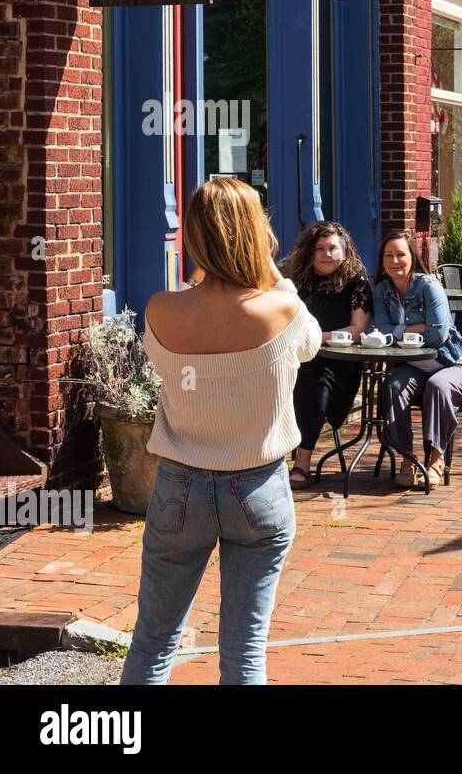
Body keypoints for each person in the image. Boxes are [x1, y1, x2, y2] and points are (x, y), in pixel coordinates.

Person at [121, 178, 322, 685]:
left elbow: (172, 351)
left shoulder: (161, 310)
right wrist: (272, 273)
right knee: (245, 648)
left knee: (153, 641)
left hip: (179, 487)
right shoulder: (283, 309)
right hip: (257, 487)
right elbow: (311, 344)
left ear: (193, 237)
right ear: (256, 235)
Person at [373, 231, 462, 488]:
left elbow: (438, 335)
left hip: (453, 365)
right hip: (414, 367)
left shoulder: (428, 286)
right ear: (382, 260)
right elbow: (381, 328)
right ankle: (408, 459)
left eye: (400, 254)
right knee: (393, 385)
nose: (394, 260)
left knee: (438, 385)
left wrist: (399, 330)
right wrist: (417, 327)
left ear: (412, 257)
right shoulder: (382, 290)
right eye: (389, 255)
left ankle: (436, 460)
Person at [280, 222, 373, 489]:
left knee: (314, 384)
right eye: (319, 248)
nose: (326, 254)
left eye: (333, 248)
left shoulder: (357, 282)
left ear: (344, 251)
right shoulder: (296, 279)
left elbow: (358, 329)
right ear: (309, 252)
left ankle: (302, 463)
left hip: (337, 361)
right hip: (294, 356)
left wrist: (316, 338)